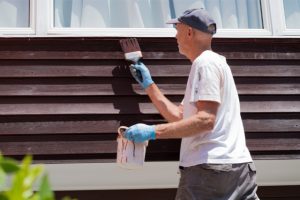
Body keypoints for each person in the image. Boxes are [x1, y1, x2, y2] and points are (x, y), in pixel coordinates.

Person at [124, 8, 259, 200]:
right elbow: (181, 117)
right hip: (238, 169)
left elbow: (205, 121)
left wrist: (152, 132)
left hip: (209, 169)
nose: (175, 36)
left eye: (177, 30)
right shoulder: (215, 63)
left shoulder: (205, 64)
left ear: (189, 32)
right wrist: (149, 85)